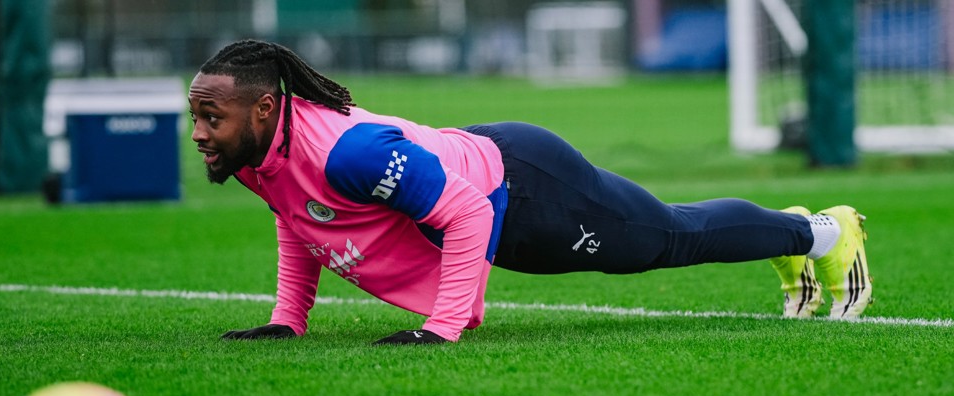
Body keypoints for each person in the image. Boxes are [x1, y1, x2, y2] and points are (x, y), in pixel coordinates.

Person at [188, 39, 872, 345]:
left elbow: (467, 211)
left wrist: (441, 329)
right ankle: (794, 235)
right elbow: (302, 217)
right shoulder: (258, 153)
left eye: (210, 117)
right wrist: (288, 318)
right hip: (496, 197)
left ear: (266, 110)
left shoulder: (349, 153)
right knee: (667, 236)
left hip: (524, 184)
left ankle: (825, 234)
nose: (199, 133)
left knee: (668, 238)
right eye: (198, 116)